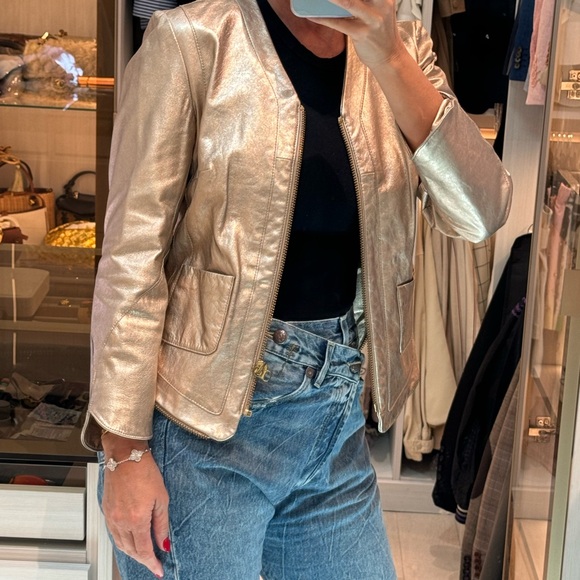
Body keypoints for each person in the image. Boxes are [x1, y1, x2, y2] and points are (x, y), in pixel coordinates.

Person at [81, 0, 512, 578]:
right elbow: (133, 253)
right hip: (202, 430)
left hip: (336, 424)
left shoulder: (401, 48)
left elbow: (481, 213)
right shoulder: (192, 39)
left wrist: (388, 56)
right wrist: (124, 451)